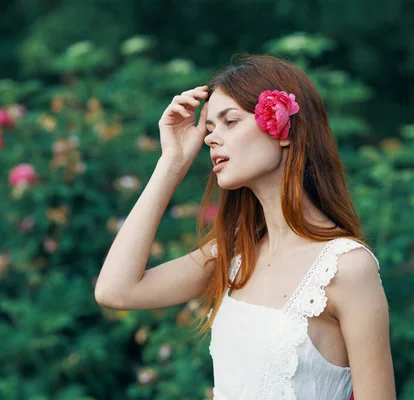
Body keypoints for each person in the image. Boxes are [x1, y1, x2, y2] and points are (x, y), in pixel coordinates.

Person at [95, 54, 396, 400]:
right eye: (209, 128)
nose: (211, 139)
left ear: (284, 128)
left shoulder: (345, 267)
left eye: (230, 122)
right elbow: (116, 291)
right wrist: (172, 164)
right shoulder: (235, 251)